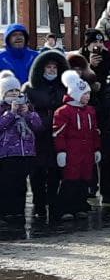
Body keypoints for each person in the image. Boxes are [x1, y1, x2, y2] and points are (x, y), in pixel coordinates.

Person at [23, 50, 67, 221]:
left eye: (54, 67)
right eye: (48, 67)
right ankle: (39, 203)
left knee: (55, 170)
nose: (51, 70)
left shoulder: (63, 88)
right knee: (37, 172)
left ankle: (53, 201)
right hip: (38, 135)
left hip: (58, 134)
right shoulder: (30, 89)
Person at [53, 69, 99, 220]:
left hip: (87, 151)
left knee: (84, 179)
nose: (87, 97)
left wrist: (96, 149)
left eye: (88, 94)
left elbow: (94, 132)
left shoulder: (90, 111)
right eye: (84, 94)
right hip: (72, 151)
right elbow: (59, 133)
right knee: (70, 181)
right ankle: (65, 209)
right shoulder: (63, 111)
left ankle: (80, 206)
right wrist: (61, 151)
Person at [0, 70, 42, 223]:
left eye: (16, 91)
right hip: (7, 154)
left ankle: (18, 211)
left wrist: (28, 114)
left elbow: (38, 126)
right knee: (7, 184)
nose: (14, 94)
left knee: (21, 185)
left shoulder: (27, 108)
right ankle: (6, 211)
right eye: (10, 92)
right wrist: (11, 113)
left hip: (26, 153)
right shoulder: (2, 109)